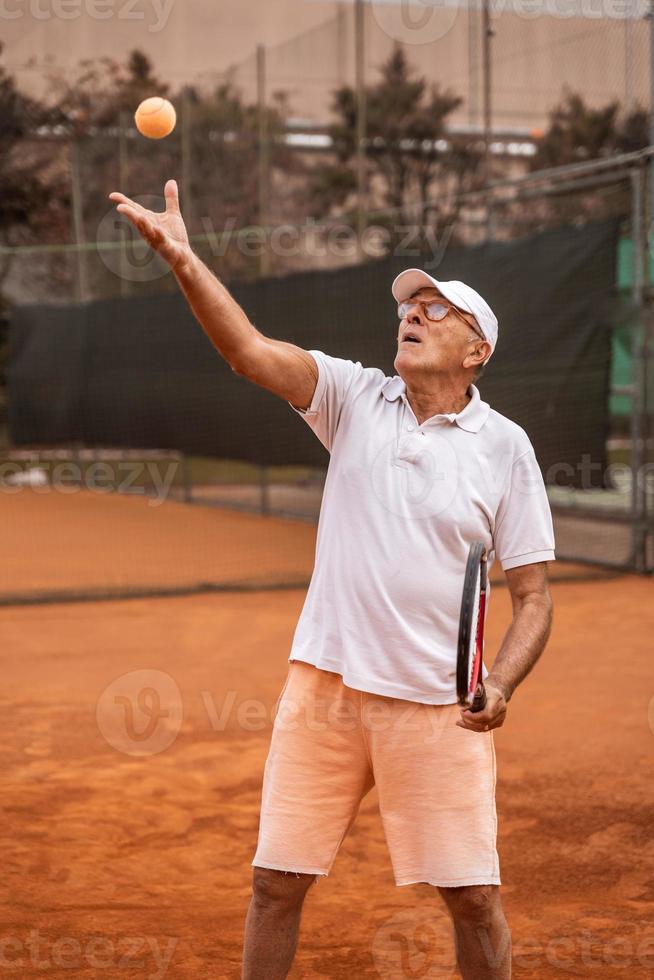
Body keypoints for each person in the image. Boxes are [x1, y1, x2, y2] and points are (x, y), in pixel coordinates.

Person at [110, 180, 555, 980]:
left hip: (438, 710)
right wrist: (183, 259)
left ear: (477, 348)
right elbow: (248, 351)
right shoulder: (353, 396)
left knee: (474, 902)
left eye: (436, 310)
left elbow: (534, 595)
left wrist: (504, 683)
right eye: (407, 308)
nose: (411, 315)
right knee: (274, 886)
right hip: (327, 688)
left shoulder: (505, 448)